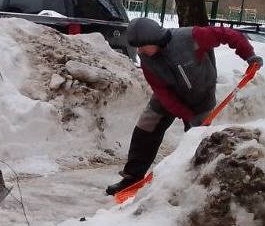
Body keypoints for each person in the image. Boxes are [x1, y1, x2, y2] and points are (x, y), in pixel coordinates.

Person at [105, 17, 263, 196]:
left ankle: (192, 183)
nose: (139, 51)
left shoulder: (190, 37)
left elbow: (228, 34)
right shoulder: (147, 60)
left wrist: (249, 55)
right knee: (146, 127)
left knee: (197, 142)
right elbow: (162, 92)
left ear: (153, 38)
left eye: (142, 46)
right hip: (169, 98)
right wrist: (186, 114)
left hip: (201, 98)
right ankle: (132, 178)